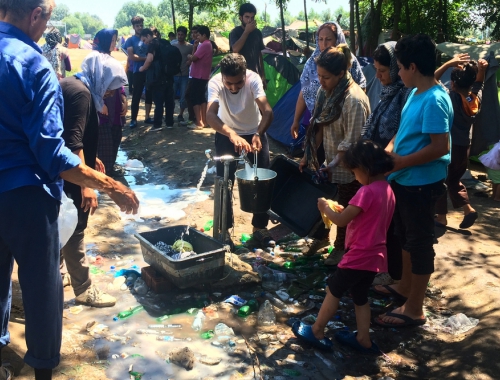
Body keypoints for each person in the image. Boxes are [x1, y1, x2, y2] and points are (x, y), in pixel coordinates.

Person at [0, 2, 139, 379]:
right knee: (43, 290)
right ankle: (43, 370)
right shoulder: (33, 65)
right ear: (37, 16)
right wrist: (113, 187)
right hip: (26, 197)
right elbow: (52, 154)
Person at [373, 34, 452, 328]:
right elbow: (402, 133)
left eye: (401, 68)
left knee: (419, 243)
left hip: (421, 183)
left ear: (413, 66)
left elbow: (440, 146)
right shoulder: (415, 92)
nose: (399, 74)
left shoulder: (434, 99)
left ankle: (415, 308)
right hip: (404, 180)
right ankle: (405, 287)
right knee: (405, 236)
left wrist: (402, 161)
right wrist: (389, 152)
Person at [292, 140, 395, 353]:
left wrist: (324, 207)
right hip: (375, 255)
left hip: (358, 254)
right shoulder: (387, 189)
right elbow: (363, 215)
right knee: (360, 296)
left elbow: (341, 222)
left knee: (333, 289)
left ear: (365, 169)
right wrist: (341, 209)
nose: (354, 177)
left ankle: (317, 330)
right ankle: (364, 339)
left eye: (354, 172)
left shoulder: (365, 192)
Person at [60, 51, 129, 307]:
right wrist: (85, 184)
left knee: (61, 221)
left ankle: (58, 273)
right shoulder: (81, 95)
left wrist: (93, 157)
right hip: (69, 172)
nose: (111, 94)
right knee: (75, 224)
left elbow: (70, 131)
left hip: (64, 167)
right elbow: (71, 141)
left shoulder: (72, 85)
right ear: (101, 78)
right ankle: (84, 288)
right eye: (111, 88)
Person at [300, 45, 370, 266]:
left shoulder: (354, 101)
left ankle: (341, 249)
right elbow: (318, 127)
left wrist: (333, 163)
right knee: (323, 204)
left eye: (326, 77)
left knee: (344, 209)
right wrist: (308, 156)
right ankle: (320, 239)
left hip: (349, 168)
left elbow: (353, 143)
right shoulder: (325, 92)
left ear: (341, 74)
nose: (321, 81)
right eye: (319, 76)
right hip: (328, 162)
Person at [361, 41, 412, 286]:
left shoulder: (406, 94)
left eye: (383, 71)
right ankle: (388, 270)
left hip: (394, 167)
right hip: (381, 167)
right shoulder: (387, 93)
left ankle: (395, 276)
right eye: (377, 71)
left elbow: (401, 132)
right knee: (384, 222)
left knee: (395, 225)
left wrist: (385, 158)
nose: (379, 76)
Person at [206, 53, 274, 239]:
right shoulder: (214, 82)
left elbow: (267, 111)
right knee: (225, 182)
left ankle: (259, 228)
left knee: (261, 181)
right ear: (223, 78)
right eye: (229, 84)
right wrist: (232, 135)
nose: (234, 87)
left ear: (245, 74)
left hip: (255, 133)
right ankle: (225, 230)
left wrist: (258, 133)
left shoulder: (253, 80)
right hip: (226, 133)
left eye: (238, 83)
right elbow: (210, 116)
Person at [434, 55, 488, 229]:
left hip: (449, 146)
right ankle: (468, 209)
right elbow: (480, 83)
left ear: (454, 84)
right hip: (465, 146)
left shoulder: (450, 97)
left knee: (441, 179)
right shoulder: (475, 99)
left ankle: (441, 217)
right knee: (454, 180)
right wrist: (482, 70)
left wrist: (448, 64)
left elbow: (431, 79)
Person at [291, 21, 367, 141]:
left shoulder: (349, 62)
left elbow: (361, 88)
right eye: (320, 39)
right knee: (314, 154)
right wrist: (295, 120)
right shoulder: (312, 63)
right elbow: (304, 92)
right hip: (314, 118)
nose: (324, 44)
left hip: (340, 123)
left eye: (328, 39)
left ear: (337, 40)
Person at [93, 29, 128, 176]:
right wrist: (100, 103)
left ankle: (110, 169)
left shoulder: (112, 60)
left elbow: (119, 84)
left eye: (115, 40)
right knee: (104, 143)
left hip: (115, 106)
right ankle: (103, 175)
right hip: (103, 107)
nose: (114, 43)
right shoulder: (95, 60)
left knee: (115, 137)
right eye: (112, 40)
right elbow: (92, 85)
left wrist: (124, 99)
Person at [139, 28, 182, 131]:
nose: (145, 43)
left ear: (149, 36)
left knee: (158, 102)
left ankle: (157, 124)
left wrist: (142, 68)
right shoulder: (165, 42)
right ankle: (169, 123)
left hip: (158, 78)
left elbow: (149, 59)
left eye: (144, 40)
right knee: (169, 102)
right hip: (169, 76)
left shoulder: (153, 44)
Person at [123, 16, 152, 128]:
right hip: (137, 71)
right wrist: (147, 59)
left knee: (149, 93)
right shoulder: (130, 40)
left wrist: (144, 59)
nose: (140, 27)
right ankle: (133, 119)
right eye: (137, 26)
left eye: (141, 25)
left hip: (149, 71)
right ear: (133, 27)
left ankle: (147, 117)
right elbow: (132, 56)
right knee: (136, 95)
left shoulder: (148, 37)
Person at [229, 3, 266, 86]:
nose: (250, 20)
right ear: (240, 18)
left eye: (252, 17)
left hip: (255, 75)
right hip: (239, 76)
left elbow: (259, 55)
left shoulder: (257, 33)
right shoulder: (235, 32)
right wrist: (246, 32)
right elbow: (235, 49)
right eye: (247, 17)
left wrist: (263, 75)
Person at [187, 25, 213, 129]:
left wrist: (189, 56)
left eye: (198, 35)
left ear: (204, 35)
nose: (197, 37)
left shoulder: (204, 45)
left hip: (198, 75)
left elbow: (194, 58)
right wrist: (194, 47)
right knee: (201, 98)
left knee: (195, 98)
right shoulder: (207, 44)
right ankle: (204, 121)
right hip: (203, 76)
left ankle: (199, 122)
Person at [172, 26, 192, 125]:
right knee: (171, 95)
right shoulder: (173, 45)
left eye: (182, 34)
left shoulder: (189, 47)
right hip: (174, 75)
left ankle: (180, 114)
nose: (180, 36)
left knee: (183, 97)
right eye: (178, 34)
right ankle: (170, 115)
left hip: (184, 75)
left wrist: (190, 61)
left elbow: (195, 56)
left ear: (185, 35)